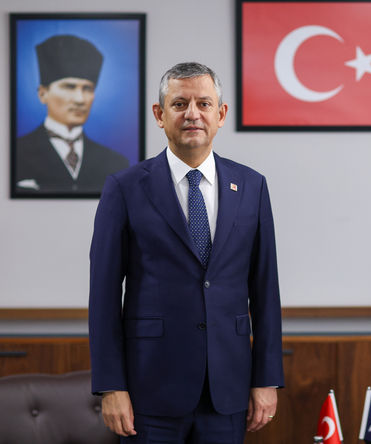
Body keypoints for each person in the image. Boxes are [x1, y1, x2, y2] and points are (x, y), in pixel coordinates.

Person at [89, 62, 283, 443]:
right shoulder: (124, 188)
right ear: (160, 115)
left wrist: (267, 378)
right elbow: (104, 295)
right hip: (149, 391)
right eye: (179, 104)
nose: (192, 114)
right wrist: (111, 386)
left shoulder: (251, 186)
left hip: (228, 390)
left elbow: (265, 290)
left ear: (220, 114)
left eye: (203, 104)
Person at [15, 34, 130, 194]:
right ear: (43, 94)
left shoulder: (116, 163)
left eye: (87, 88)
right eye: (69, 87)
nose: (80, 99)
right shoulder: (16, 153)